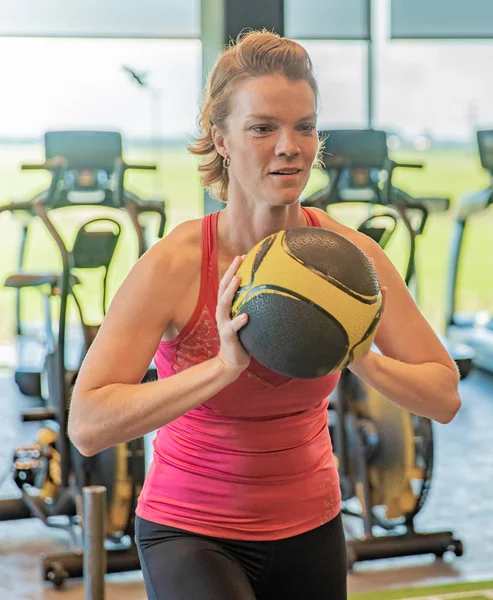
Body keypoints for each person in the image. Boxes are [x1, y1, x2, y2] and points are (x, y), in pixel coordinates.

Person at [68, 30, 462, 600]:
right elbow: (87, 424)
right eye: (262, 128)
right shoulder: (176, 265)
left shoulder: (349, 262)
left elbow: (444, 395)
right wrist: (222, 367)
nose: (289, 146)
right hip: (191, 530)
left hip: (313, 526)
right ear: (220, 139)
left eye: (305, 126)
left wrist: (360, 356)